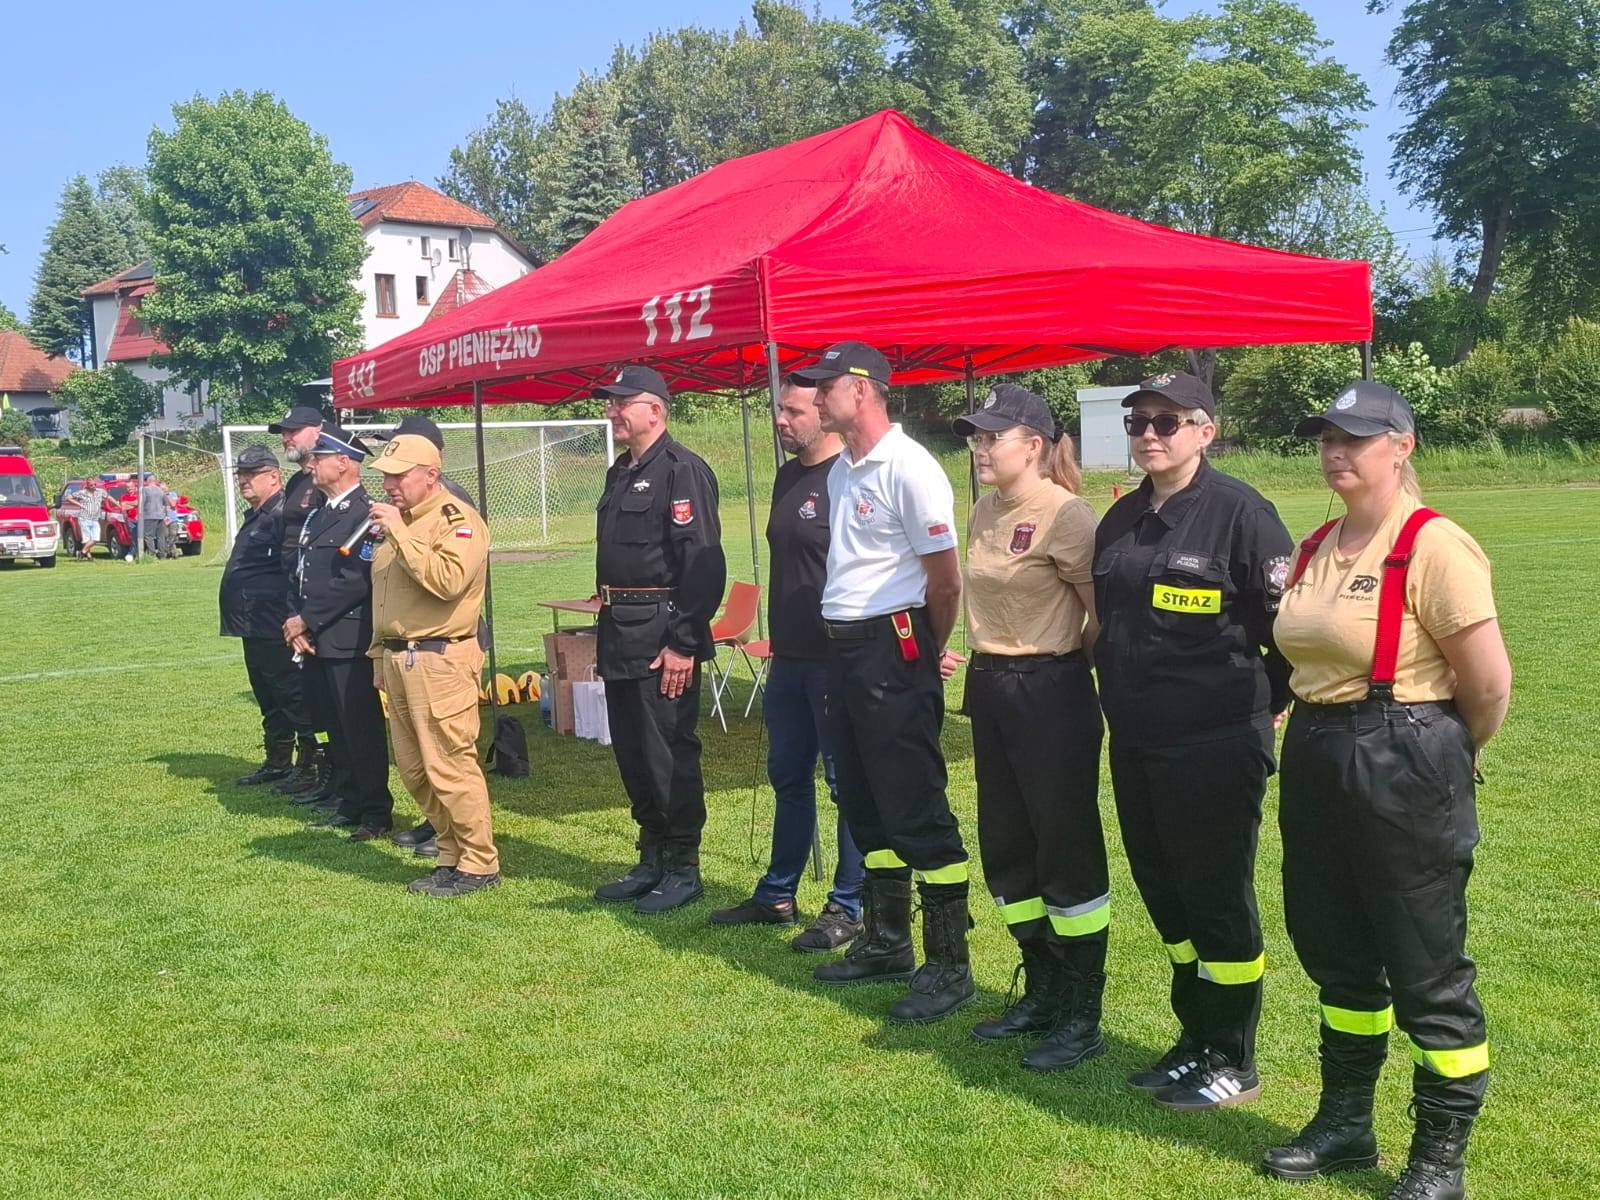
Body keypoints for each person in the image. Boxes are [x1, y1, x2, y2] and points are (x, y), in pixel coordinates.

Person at [1261, 382, 1510, 1200]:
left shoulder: (1435, 544)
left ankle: (1439, 1158)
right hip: (1319, 748)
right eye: (1327, 437)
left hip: (1404, 751)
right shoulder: (1315, 544)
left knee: (1425, 967)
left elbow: (1488, 684)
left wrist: (1449, 753)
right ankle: (1345, 1126)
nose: (1336, 451)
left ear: (1402, 447)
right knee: (1336, 951)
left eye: (1356, 438)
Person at [1092, 370, 1293, 1110]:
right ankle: (1195, 1038)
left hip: (1213, 744)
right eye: (1138, 421)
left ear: (1205, 431)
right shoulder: (1122, 519)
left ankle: (1233, 1056)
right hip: (1136, 741)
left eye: (1167, 421)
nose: (1149, 433)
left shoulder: (1243, 515)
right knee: (1166, 893)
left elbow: (1290, 632)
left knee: (1215, 897)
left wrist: (1270, 705)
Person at [789, 341, 971, 1026]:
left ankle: (950, 963)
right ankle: (888, 941)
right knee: (863, 799)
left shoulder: (909, 467)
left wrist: (924, 651)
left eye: (825, 385)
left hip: (891, 644)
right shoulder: (844, 468)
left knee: (915, 801)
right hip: (843, 647)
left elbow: (945, 580)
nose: (815, 397)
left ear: (862, 390)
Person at [952, 384, 1109, 1071]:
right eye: (977, 437)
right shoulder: (985, 508)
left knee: (1064, 847)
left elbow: (1099, 615)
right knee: (1007, 845)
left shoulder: (1065, 514)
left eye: (994, 437)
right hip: (990, 685)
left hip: (1050, 689)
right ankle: (1042, 988)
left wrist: (1059, 665)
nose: (980, 448)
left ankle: (1081, 1008)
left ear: (1035, 446)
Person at [709, 378, 866, 951]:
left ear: (823, 414)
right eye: (779, 409)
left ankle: (849, 904)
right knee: (788, 778)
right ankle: (777, 894)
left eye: (793, 410)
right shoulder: (787, 476)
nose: (780, 419)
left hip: (835, 658)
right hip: (788, 658)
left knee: (846, 785)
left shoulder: (850, 478)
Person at [590, 365, 726, 914]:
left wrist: (684, 643)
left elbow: (704, 565)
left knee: (668, 751)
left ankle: (682, 864)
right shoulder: (620, 471)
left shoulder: (681, 470)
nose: (612, 411)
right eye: (610, 402)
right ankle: (650, 856)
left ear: (656, 409)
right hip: (619, 629)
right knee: (632, 752)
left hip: (661, 632)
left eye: (623, 402)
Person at [368, 433, 502, 897]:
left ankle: (480, 863)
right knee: (414, 769)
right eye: (386, 476)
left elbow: (447, 581)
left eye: (398, 476)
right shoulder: (400, 523)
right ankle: (450, 854)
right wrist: (377, 654)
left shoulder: (457, 521)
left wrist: (401, 534)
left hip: (440, 658)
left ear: (431, 475)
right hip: (398, 658)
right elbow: (384, 597)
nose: (389, 485)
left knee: (449, 765)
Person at [284, 428, 394, 840]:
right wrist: (294, 619)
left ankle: (375, 812)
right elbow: (300, 574)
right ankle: (349, 802)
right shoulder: (319, 513)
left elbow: (355, 580)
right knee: (334, 726)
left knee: (359, 729)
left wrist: (306, 620)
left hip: (348, 640)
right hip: (316, 640)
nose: (311, 464)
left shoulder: (366, 513)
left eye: (320, 457)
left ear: (344, 462)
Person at [221, 445, 315, 786]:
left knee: (291, 695)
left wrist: (295, 618)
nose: (243, 480)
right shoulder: (259, 514)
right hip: (253, 623)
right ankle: (278, 761)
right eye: (241, 474)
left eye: (252, 474)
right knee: (268, 695)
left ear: (274, 476)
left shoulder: (282, 516)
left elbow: (294, 570)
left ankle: (310, 764)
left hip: (275, 623)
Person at [268, 406, 330, 798]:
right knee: (301, 689)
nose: (286, 437)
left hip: (317, 605)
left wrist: (308, 615)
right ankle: (310, 767)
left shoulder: (328, 482)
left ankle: (330, 775)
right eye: (283, 431)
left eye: (294, 430)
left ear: (319, 430)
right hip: (293, 595)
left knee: (325, 699)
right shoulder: (296, 482)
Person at [139, 474, 169, 558]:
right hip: (160, 516)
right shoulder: (160, 490)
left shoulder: (145, 489)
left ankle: (152, 555)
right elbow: (166, 503)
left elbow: (141, 503)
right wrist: (166, 515)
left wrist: (140, 514)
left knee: (149, 536)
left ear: (148, 481)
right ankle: (162, 555)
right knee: (161, 536)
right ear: (155, 481)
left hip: (149, 516)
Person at [72, 482, 104, 558]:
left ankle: (82, 552)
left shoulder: (100, 492)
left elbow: (109, 497)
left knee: (96, 538)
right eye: (91, 485)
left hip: (95, 519)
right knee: (86, 539)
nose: (93, 486)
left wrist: (118, 505)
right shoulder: (82, 493)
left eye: (95, 484)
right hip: (84, 518)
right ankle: (89, 556)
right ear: (87, 486)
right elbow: (69, 497)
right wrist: (80, 504)